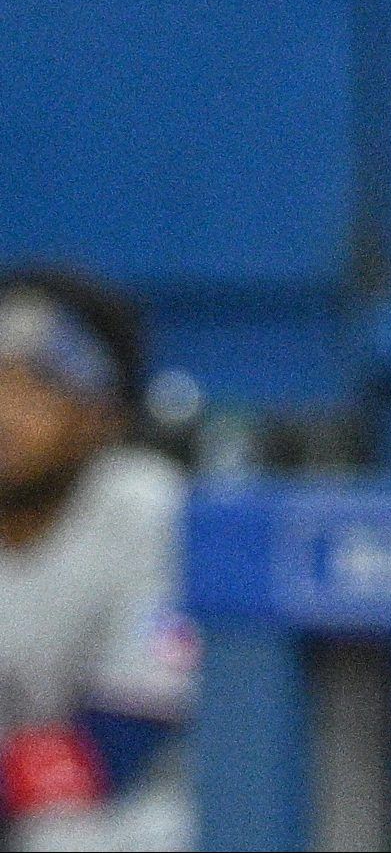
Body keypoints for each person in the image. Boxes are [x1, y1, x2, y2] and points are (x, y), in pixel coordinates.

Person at [0, 268, 195, 853]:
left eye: (36, 389)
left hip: (137, 806)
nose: (5, 411)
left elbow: (122, 741)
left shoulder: (149, 507)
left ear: (103, 415)